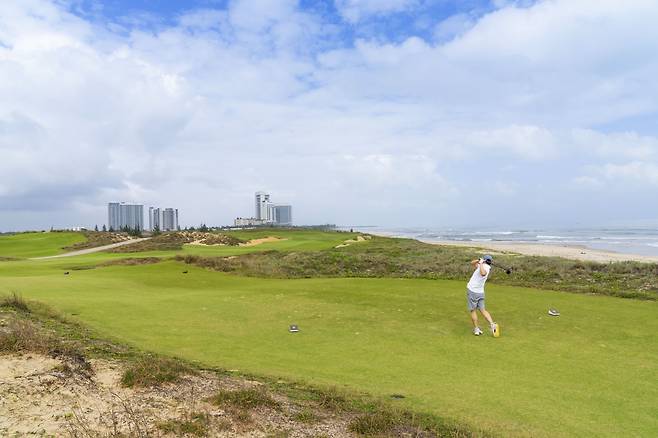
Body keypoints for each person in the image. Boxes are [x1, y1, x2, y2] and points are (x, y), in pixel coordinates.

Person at [466, 254, 499, 336]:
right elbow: (472, 263)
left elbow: (483, 273)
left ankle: (476, 329)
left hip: (473, 291)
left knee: (473, 310)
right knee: (482, 310)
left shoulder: (484, 268)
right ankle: (492, 324)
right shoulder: (485, 266)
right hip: (480, 292)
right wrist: (478, 260)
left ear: (485, 261)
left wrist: (480, 264)